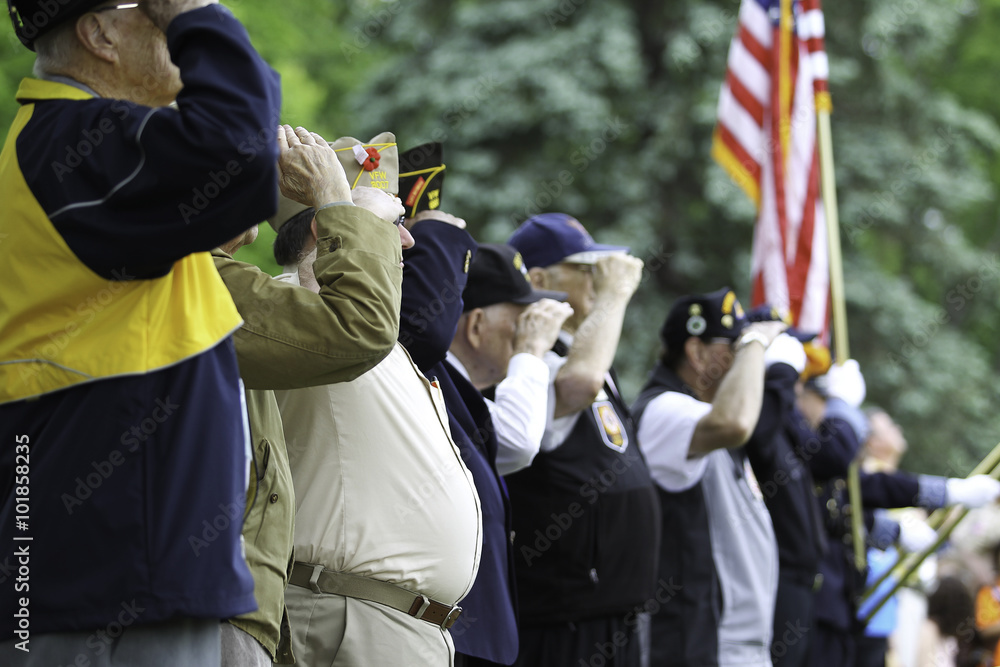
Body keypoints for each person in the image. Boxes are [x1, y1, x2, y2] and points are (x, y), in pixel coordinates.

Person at [0, 0, 280, 663]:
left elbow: (238, 160)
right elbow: (238, 147)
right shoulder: (73, 142)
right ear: (100, 33)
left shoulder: (66, 147)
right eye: (157, 10)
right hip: (111, 585)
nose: (178, 27)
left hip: (108, 573)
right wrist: (198, 12)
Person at [270, 133, 483, 666]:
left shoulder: (363, 322)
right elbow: (318, 297)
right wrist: (347, 210)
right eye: (392, 226)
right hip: (346, 617)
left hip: (384, 622)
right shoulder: (301, 305)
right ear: (328, 228)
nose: (408, 243)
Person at [212, 126, 404, 665]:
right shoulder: (186, 278)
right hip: (204, 602)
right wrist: (335, 201)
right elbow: (357, 328)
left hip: (228, 603)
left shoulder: (201, 277)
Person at [505, 213, 660, 667]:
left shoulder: (584, 357)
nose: (598, 279)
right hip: (565, 614)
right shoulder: (532, 360)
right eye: (584, 268)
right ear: (538, 279)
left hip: (612, 607)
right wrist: (615, 294)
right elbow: (578, 383)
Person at [631, 288, 785, 667]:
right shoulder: (665, 409)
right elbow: (734, 422)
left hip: (729, 645)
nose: (745, 359)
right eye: (732, 346)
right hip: (696, 645)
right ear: (697, 353)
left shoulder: (703, 414)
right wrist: (755, 341)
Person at [450, 244, 574, 475]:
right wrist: (530, 348)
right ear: (476, 326)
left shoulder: (454, 387)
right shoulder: (439, 385)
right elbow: (518, 444)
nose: (530, 331)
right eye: (524, 322)